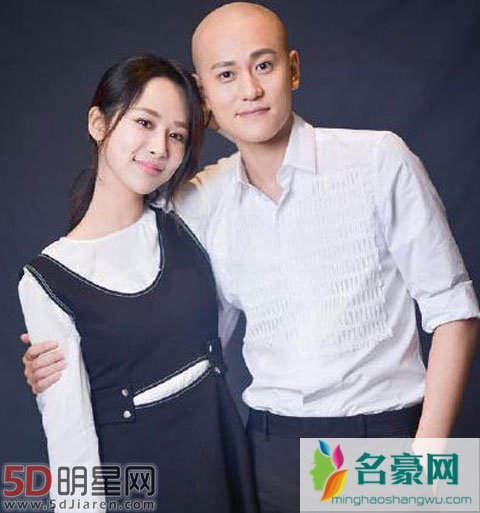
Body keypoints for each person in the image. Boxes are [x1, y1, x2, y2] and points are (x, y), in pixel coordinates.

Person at [22, 3, 480, 513]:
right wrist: (62, 341)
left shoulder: (378, 160)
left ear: (293, 69)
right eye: (226, 75)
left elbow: (454, 311)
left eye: (263, 65)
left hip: (386, 441)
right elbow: (127, 258)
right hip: (266, 450)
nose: (250, 89)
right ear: (205, 96)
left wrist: (426, 460)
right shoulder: (199, 202)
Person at [18, 54, 258, 513]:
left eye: (177, 134)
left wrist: (207, 105)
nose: (160, 147)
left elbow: (256, 151)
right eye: (144, 123)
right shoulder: (47, 280)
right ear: (98, 123)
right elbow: (69, 436)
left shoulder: (186, 214)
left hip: (221, 454)